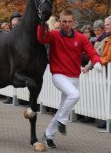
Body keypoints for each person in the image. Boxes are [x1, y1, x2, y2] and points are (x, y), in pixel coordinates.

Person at [37, 9, 102, 149]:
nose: (67, 24)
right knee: (75, 95)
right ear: (60, 22)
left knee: (62, 108)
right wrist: (41, 23)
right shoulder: (54, 35)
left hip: (74, 77)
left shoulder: (81, 38)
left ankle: (49, 134)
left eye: (69, 21)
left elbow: (91, 51)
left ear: (73, 22)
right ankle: (62, 121)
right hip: (58, 75)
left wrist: (97, 62)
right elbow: (41, 38)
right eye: (64, 21)